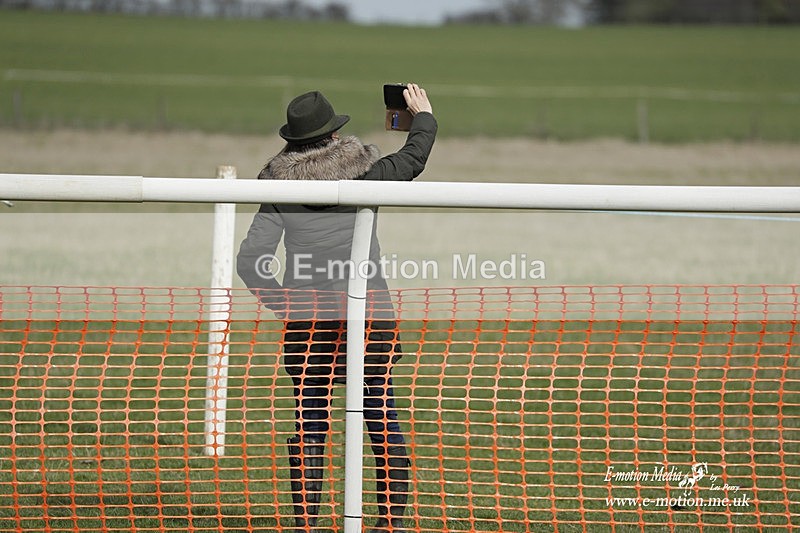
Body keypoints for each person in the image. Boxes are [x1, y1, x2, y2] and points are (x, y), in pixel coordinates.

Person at [237, 85, 436, 533]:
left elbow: (250, 261)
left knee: (310, 424)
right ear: (333, 135)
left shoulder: (278, 186)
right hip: (369, 318)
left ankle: (307, 524)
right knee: (381, 417)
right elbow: (413, 158)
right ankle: (389, 524)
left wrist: (286, 306)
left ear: (293, 140)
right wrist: (423, 116)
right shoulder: (365, 173)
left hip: (307, 324)